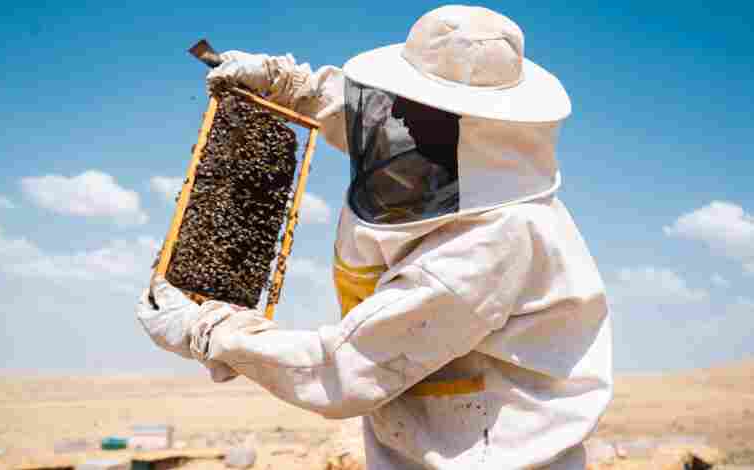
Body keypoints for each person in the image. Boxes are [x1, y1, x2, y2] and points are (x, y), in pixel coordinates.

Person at [137, 5, 612, 469]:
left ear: (470, 130)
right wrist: (289, 85)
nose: (397, 123)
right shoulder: (451, 150)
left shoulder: (486, 248)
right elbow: (378, 120)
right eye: (397, 105)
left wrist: (208, 332)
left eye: (416, 114)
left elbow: (342, 370)